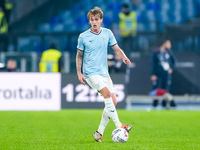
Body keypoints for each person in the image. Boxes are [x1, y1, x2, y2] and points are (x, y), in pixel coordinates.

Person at [76, 7, 132, 142]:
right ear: (89, 21)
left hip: (104, 73)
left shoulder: (107, 33)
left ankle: (99, 132)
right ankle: (120, 125)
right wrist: (79, 72)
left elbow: (116, 47)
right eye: (92, 20)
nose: (94, 22)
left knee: (113, 101)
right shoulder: (83, 36)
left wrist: (124, 56)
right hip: (90, 73)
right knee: (107, 94)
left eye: (97, 19)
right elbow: (79, 55)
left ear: (101, 20)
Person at [150, 39, 177, 108]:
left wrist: (171, 68)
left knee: (165, 88)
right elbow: (153, 63)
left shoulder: (169, 52)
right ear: (164, 44)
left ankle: (164, 103)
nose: (169, 46)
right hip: (158, 74)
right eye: (168, 44)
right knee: (157, 88)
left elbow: (174, 62)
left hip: (166, 74)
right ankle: (155, 103)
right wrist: (153, 74)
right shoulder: (157, 52)